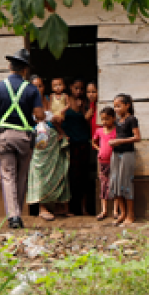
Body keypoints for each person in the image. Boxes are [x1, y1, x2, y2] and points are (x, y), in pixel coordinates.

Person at [0, 49, 45, 229]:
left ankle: (14, 216)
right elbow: (39, 115)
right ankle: (18, 213)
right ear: (25, 70)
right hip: (24, 138)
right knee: (21, 177)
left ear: (10, 67)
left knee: (8, 176)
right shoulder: (31, 89)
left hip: (4, 137)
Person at [27, 75, 71, 221]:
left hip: (53, 138)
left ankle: (59, 205)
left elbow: (56, 118)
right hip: (40, 140)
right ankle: (42, 207)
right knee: (40, 172)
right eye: (35, 86)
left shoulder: (49, 99)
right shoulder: (28, 102)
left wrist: (61, 132)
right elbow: (31, 121)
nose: (38, 89)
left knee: (58, 170)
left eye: (40, 86)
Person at [55, 79, 91, 216]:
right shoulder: (65, 99)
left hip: (83, 143)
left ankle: (84, 208)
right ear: (70, 87)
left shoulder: (86, 102)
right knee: (70, 175)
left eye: (81, 89)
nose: (79, 91)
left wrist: (82, 109)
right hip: (69, 143)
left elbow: (88, 120)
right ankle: (68, 208)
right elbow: (57, 117)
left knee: (84, 176)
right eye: (76, 88)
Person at [109, 93, 141, 227]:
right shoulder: (117, 121)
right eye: (115, 106)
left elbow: (137, 137)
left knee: (126, 182)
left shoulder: (132, 119)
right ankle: (122, 213)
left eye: (119, 106)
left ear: (127, 105)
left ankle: (131, 214)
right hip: (116, 153)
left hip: (127, 154)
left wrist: (119, 141)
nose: (116, 109)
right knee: (115, 182)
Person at [92, 107, 117, 221]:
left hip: (114, 161)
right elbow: (93, 142)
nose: (104, 122)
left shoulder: (116, 131)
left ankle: (115, 211)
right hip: (102, 162)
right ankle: (104, 210)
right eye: (102, 119)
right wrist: (100, 149)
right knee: (103, 185)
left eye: (107, 119)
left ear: (113, 118)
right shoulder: (99, 131)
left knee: (114, 184)